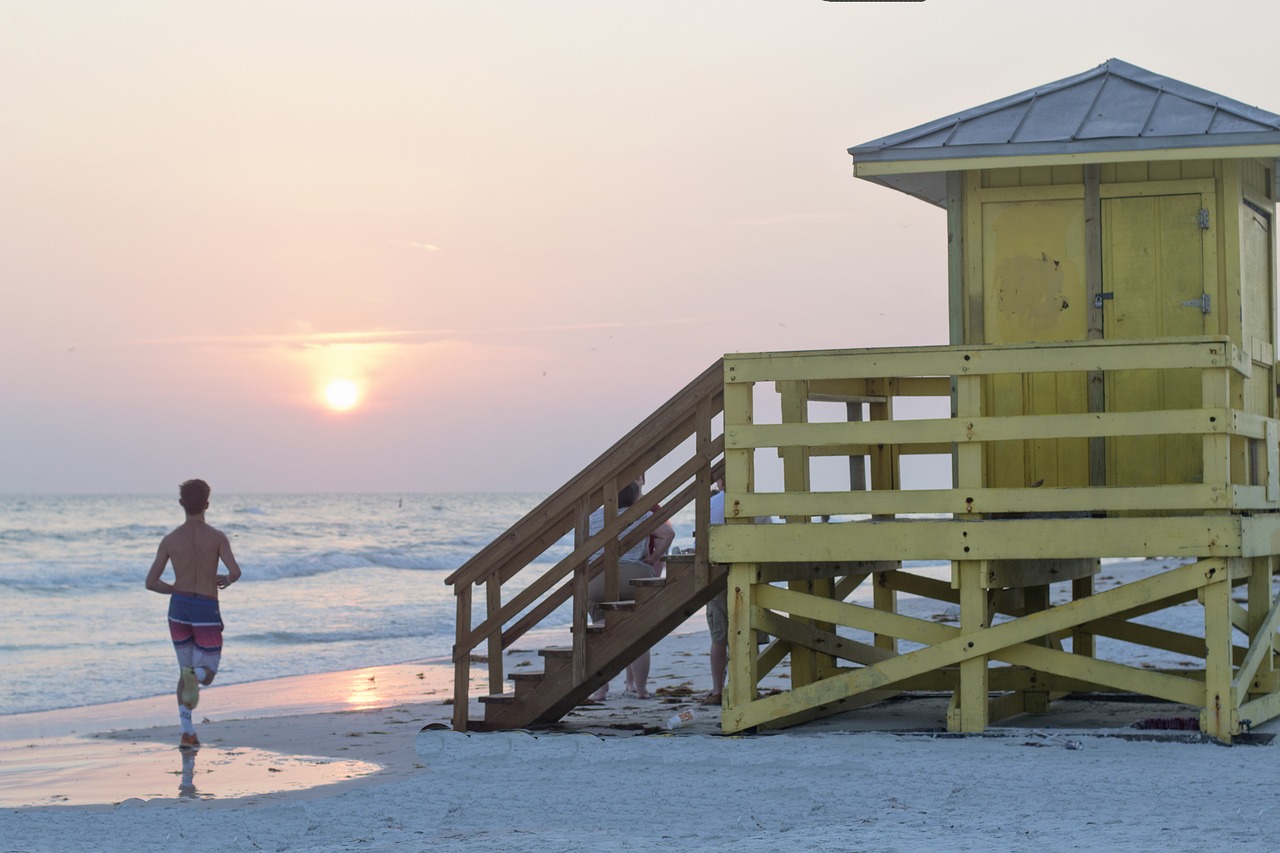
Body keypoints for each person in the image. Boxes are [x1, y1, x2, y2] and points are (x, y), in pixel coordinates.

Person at [145, 479, 242, 749]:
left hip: (178, 608)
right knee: (206, 672)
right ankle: (195, 677)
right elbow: (235, 571)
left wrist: (175, 589)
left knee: (184, 670)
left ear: (181, 504)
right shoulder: (217, 538)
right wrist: (227, 579)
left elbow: (151, 582)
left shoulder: (170, 540)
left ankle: (187, 731)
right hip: (205, 607)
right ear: (207, 505)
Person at [584, 478, 666, 701]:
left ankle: (600, 690)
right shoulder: (642, 515)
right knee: (638, 634)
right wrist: (654, 557)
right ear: (635, 496)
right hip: (634, 575)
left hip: (598, 579)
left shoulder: (592, 518)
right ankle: (640, 690)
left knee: (599, 631)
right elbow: (668, 534)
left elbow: (581, 548)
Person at [704, 474, 729, 705]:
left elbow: (701, 541)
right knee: (747, 634)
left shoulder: (711, 502)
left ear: (720, 479)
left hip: (718, 573)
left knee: (719, 638)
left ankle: (717, 690)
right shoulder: (756, 500)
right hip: (750, 572)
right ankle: (747, 687)